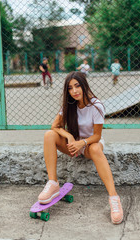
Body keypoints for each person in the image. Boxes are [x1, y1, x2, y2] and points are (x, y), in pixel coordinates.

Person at [38, 71, 123, 225]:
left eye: (77, 86)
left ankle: (114, 198)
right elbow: (54, 126)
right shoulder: (69, 105)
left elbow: (97, 136)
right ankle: (53, 183)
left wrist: (81, 143)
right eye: (70, 88)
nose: (74, 91)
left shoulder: (96, 105)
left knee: (96, 148)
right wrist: (70, 137)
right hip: (73, 145)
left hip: (90, 145)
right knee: (49, 135)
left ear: (84, 85)